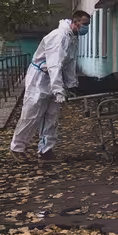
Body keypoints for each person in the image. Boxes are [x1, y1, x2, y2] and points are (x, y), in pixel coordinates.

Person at [10, 10, 91, 163]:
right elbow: (54, 65)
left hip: (53, 77)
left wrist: (71, 85)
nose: (86, 27)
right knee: (32, 114)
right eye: (84, 24)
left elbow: (70, 63)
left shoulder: (72, 38)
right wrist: (58, 90)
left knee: (51, 116)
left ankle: (46, 150)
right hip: (40, 78)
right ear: (75, 22)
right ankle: (17, 148)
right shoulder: (59, 37)